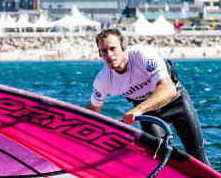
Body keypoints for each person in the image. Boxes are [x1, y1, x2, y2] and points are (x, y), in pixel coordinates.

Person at [85, 28, 209, 164]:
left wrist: (137, 111)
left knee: (198, 158)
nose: (109, 55)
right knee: (158, 159)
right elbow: (92, 112)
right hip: (148, 114)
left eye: (112, 48)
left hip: (176, 102)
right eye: (103, 51)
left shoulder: (142, 55)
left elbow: (168, 89)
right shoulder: (103, 80)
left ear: (123, 46)